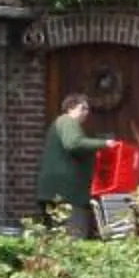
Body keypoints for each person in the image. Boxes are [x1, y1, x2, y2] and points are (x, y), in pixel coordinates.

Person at [35, 90, 104, 235]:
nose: (87, 112)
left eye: (88, 109)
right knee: (73, 236)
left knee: (54, 236)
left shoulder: (61, 123)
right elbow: (74, 143)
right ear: (70, 108)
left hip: (55, 191)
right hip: (66, 193)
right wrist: (105, 143)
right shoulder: (67, 122)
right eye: (83, 108)